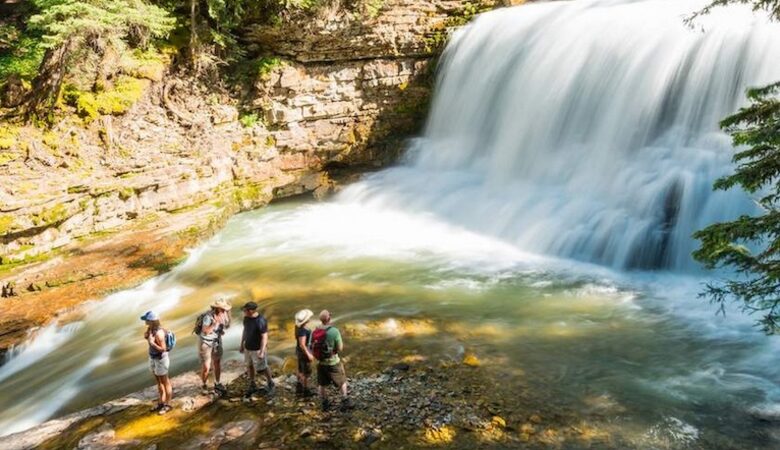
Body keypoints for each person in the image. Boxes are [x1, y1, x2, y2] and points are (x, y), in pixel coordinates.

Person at [312, 309, 352, 411]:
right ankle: (345, 400)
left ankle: (325, 403)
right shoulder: (334, 331)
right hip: (333, 362)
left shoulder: (315, 331)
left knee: (322, 384)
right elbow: (340, 348)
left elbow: (312, 346)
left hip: (321, 362)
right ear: (329, 318)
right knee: (342, 381)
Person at [239, 301, 274, 398]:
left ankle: (270, 382)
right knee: (249, 365)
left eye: (245, 310)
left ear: (251, 311)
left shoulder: (260, 321)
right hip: (248, 347)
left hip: (257, 349)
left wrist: (262, 351)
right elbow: (245, 331)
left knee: (262, 368)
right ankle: (252, 383)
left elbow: (264, 337)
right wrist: (242, 344)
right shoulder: (246, 318)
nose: (244, 311)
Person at [141, 310, 173, 415]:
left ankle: (168, 404)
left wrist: (151, 343)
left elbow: (163, 349)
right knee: (158, 382)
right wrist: (147, 337)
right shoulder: (150, 329)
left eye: (146, 320)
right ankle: (161, 402)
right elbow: (149, 339)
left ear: (151, 321)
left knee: (165, 382)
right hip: (153, 358)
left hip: (161, 360)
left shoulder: (159, 333)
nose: (145, 321)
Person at [198, 298, 231, 394]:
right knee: (207, 367)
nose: (225, 309)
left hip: (217, 341)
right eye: (223, 308)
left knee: (217, 363)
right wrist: (215, 324)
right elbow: (205, 330)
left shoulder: (224, 314)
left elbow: (227, 326)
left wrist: (227, 317)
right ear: (217, 308)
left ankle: (217, 383)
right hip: (206, 342)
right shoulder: (208, 317)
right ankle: (204, 385)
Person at [294, 309, 315, 397]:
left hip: (298, 351)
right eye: (309, 317)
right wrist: (309, 354)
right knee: (306, 372)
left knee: (300, 368)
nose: (310, 318)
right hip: (303, 352)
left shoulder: (298, 327)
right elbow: (303, 345)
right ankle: (306, 390)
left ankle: (299, 386)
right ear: (306, 320)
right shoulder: (303, 330)